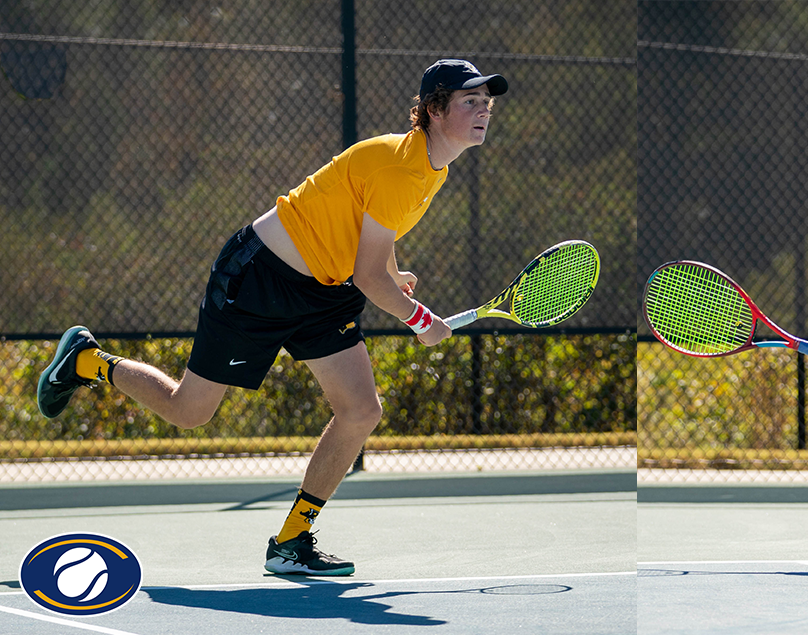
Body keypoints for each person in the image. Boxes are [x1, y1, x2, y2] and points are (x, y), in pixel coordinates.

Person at [36, 59, 508, 575]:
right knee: (189, 411)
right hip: (259, 277)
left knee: (361, 410)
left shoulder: (430, 166)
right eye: (470, 101)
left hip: (323, 292)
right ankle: (86, 361)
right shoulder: (401, 166)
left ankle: (291, 542)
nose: (483, 111)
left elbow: (375, 238)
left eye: (486, 102)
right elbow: (368, 276)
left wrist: (392, 276)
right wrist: (421, 319)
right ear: (435, 110)